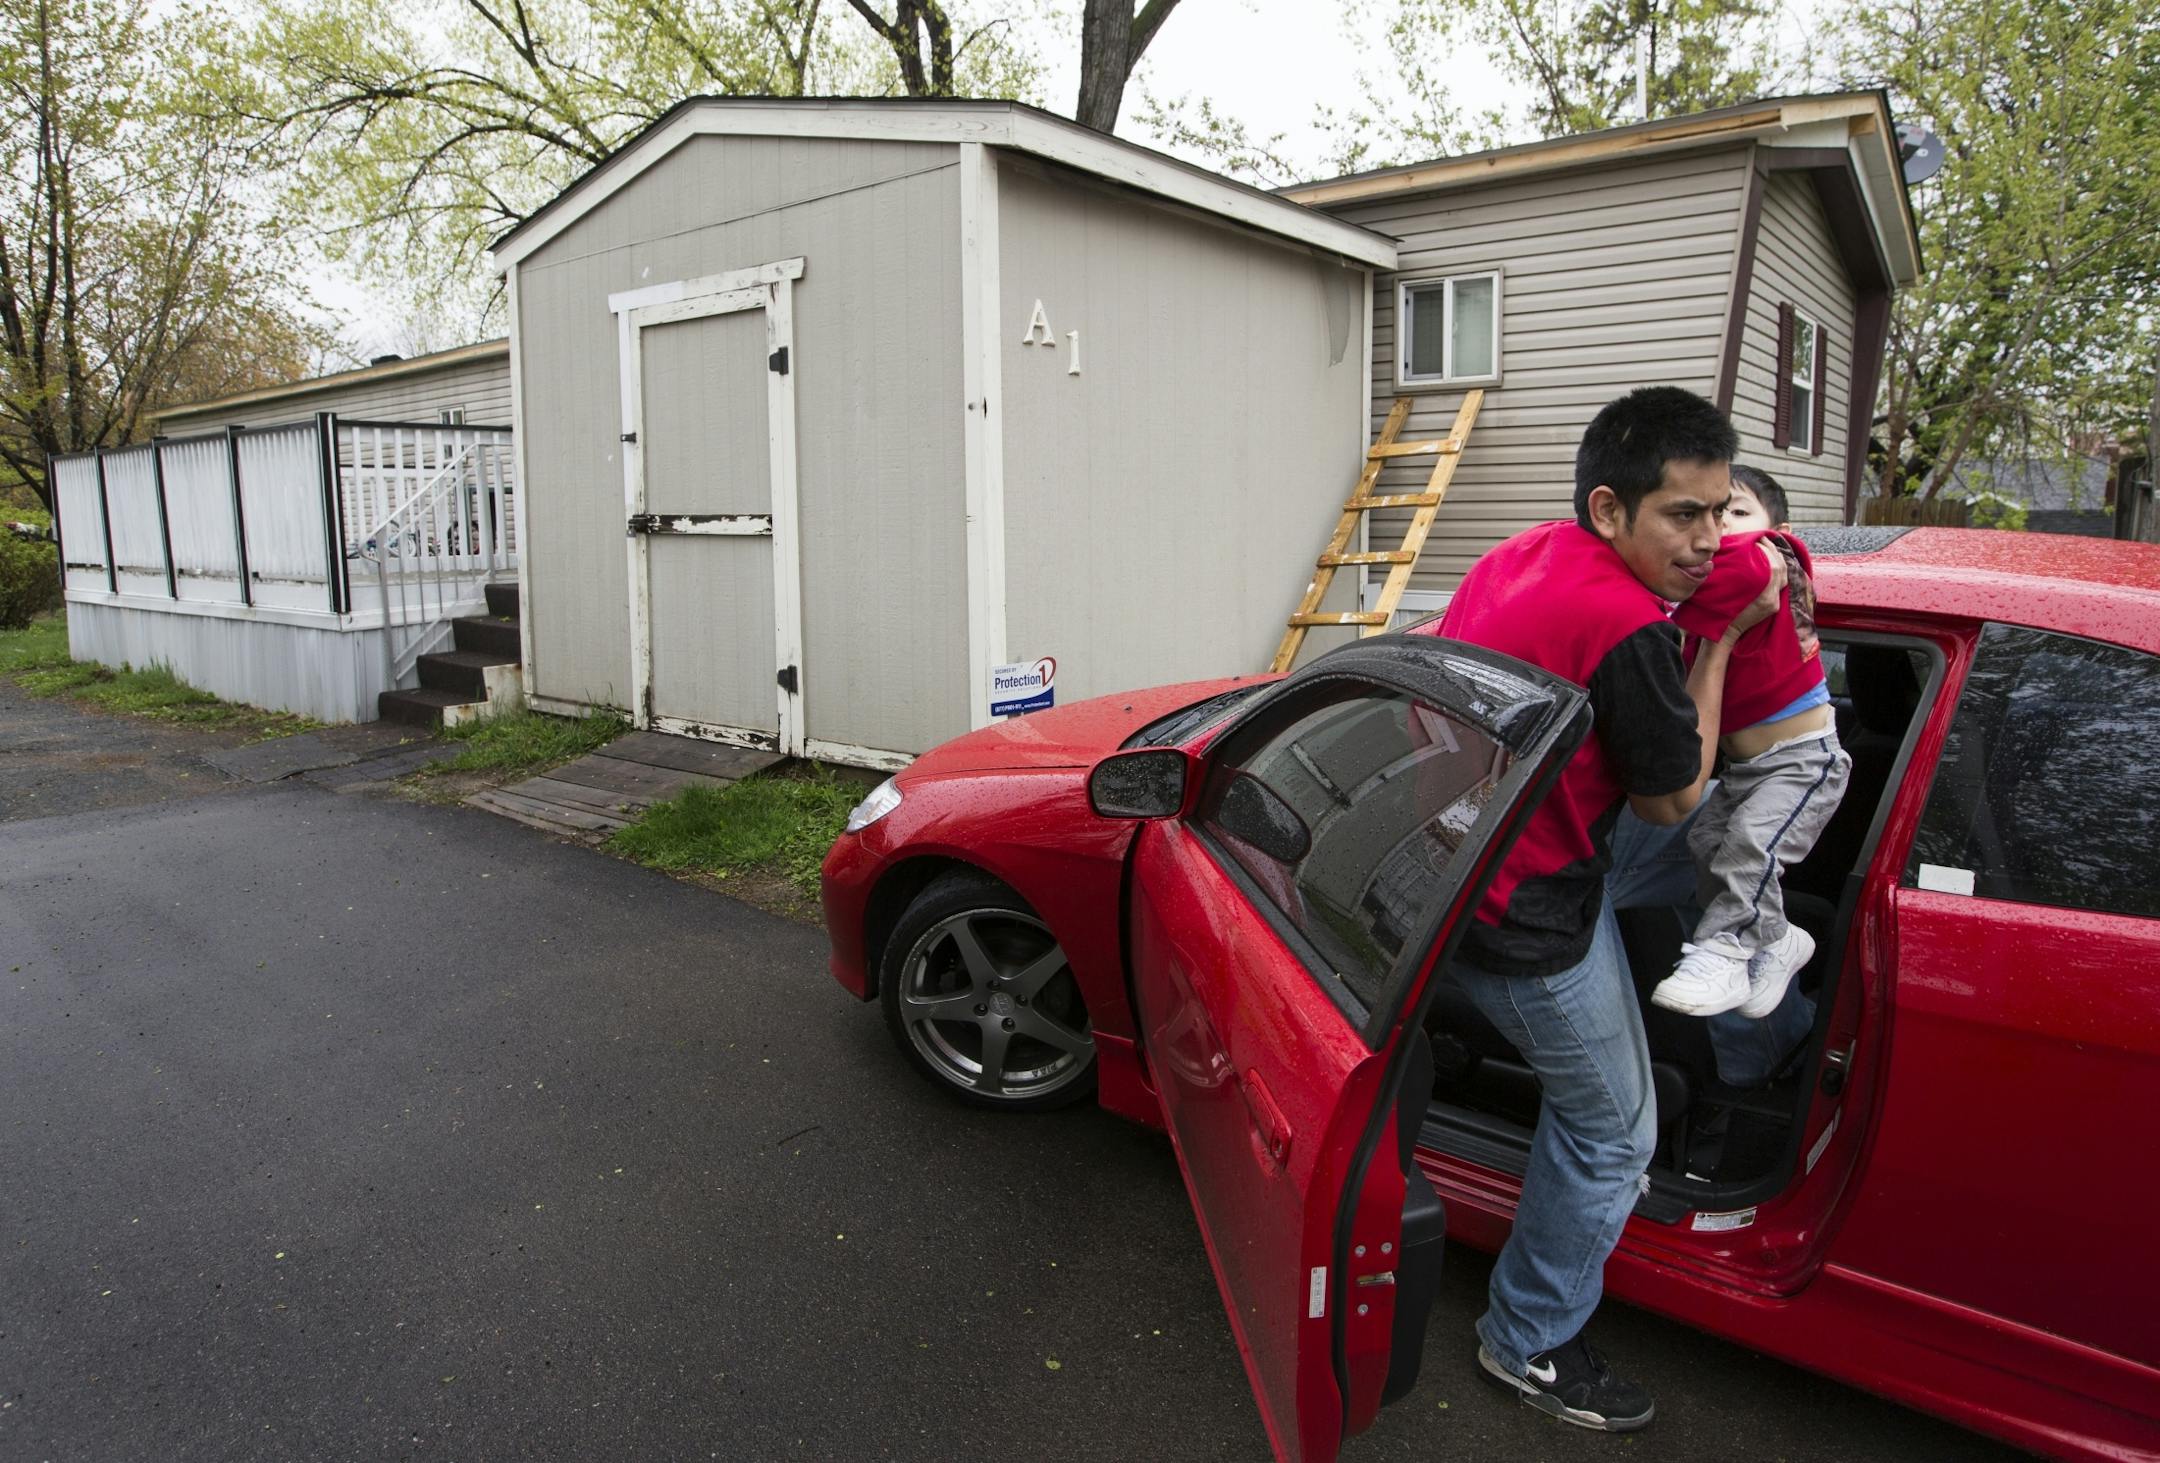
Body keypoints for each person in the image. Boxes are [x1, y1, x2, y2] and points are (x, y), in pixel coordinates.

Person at [1412, 386, 1793, 1433]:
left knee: (1714, 869)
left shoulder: (1521, 550)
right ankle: (1527, 1338)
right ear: (1611, 509)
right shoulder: (1628, 625)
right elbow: (1674, 793)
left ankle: (1747, 943)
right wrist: (1718, 644)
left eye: (1722, 512)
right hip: (1524, 910)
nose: (1710, 540)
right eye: (1685, 515)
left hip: (1456, 844)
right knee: (1617, 1133)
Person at [1651, 465, 1852, 1016]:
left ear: (1777, 526)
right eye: (1707, 516)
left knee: (1748, 850)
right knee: (1707, 847)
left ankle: (1724, 948)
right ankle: (1780, 939)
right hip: (1746, 769)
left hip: (1802, 762)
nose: (1717, 532)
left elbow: (1663, 579)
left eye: (1734, 512)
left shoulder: (1765, 557)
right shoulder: (1715, 595)